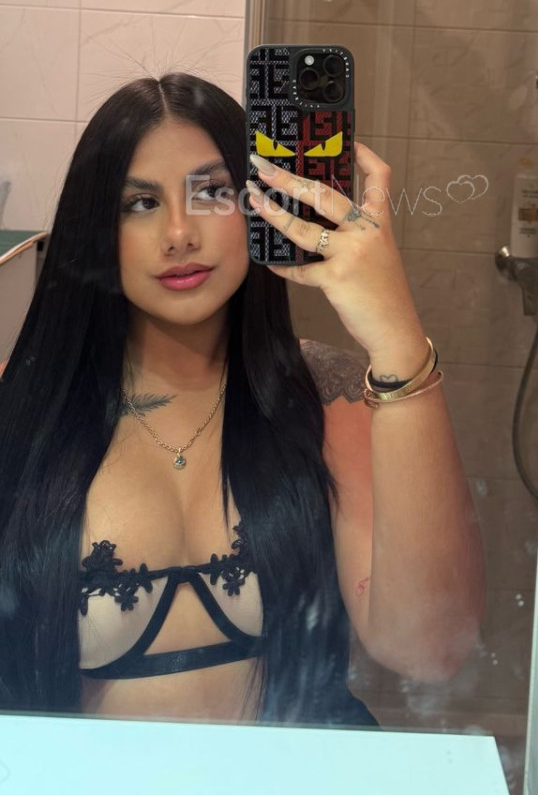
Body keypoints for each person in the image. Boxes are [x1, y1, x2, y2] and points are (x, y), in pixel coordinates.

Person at [0, 72, 485, 728]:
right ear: (95, 230)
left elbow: (429, 649)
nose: (179, 234)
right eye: (139, 203)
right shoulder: (23, 406)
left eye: (211, 192)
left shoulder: (327, 395)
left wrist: (397, 338)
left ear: (262, 204)